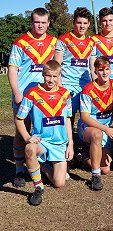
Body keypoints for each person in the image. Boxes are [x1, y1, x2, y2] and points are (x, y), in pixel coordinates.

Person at [8, 8, 57, 187]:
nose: (40, 25)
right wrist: (17, 92)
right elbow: (12, 69)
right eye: (37, 22)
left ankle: (43, 164)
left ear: (49, 23)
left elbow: (57, 68)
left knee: (45, 131)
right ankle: (19, 170)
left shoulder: (54, 42)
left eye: (44, 22)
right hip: (24, 96)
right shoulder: (20, 42)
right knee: (22, 133)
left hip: (46, 97)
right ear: (32, 22)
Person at [14, 60, 73, 206]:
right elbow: (19, 119)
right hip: (42, 142)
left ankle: (44, 166)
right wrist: (28, 137)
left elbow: (67, 120)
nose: (51, 80)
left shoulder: (65, 94)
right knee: (29, 148)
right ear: (43, 74)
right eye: (48, 76)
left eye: (55, 76)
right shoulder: (32, 93)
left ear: (59, 76)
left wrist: (70, 143)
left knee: (59, 183)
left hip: (59, 144)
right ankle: (38, 187)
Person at [78, 56, 113, 191]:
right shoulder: (88, 89)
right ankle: (95, 175)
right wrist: (106, 129)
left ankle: (83, 156)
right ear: (95, 71)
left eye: (107, 69)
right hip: (88, 127)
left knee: (105, 169)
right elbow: (85, 117)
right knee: (97, 134)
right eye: (100, 70)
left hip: (104, 130)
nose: (104, 73)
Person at [54, 7, 96, 124]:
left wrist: (96, 85)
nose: (82, 26)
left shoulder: (91, 42)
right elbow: (56, 66)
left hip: (85, 85)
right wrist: (60, 88)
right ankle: (69, 141)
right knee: (68, 117)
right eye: (79, 23)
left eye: (85, 23)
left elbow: (93, 68)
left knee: (87, 116)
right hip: (67, 85)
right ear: (73, 22)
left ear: (89, 24)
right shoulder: (63, 39)